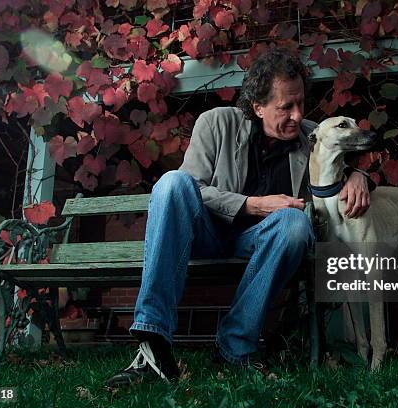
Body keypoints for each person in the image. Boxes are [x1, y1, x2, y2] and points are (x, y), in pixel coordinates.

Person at [106, 47, 371, 387]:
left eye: (301, 103)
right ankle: (153, 346)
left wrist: (359, 176)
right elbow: (192, 190)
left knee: (295, 224)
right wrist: (253, 204)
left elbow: (341, 160)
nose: (297, 114)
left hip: (260, 244)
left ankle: (234, 348)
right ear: (258, 106)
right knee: (173, 183)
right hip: (204, 235)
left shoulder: (310, 135)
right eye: (285, 107)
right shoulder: (216, 123)